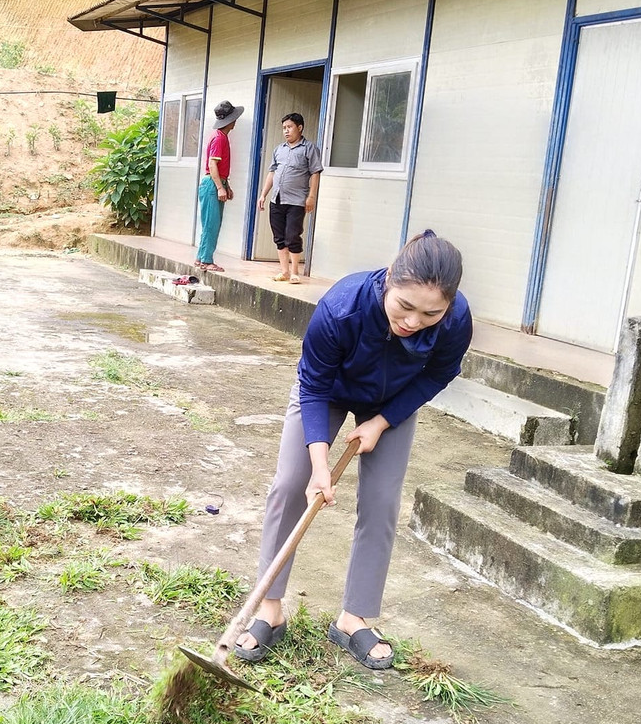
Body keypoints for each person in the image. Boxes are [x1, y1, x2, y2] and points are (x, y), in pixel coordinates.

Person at [235, 231, 472, 669]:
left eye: (430, 313)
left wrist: (382, 421)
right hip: (326, 393)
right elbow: (313, 383)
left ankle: (353, 618)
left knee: (382, 499)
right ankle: (269, 607)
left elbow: (439, 374)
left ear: (449, 305)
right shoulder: (341, 306)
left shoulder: (456, 320)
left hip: (391, 402)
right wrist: (320, 464)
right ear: (388, 281)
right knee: (291, 484)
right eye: (404, 306)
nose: (413, 321)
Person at [257, 112, 322, 285]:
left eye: (290, 127)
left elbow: (315, 173)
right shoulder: (279, 149)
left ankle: (294, 272)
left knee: (292, 235)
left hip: (296, 200)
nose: (286, 131)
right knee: (279, 236)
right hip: (276, 199)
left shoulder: (309, 148)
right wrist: (263, 194)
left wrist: (311, 196)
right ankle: (284, 271)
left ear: (299, 128)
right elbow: (272, 172)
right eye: (284, 128)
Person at [195, 100, 243, 273]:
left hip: (216, 182)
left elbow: (219, 168)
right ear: (230, 120)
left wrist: (226, 185)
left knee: (210, 223)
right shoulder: (218, 138)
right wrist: (220, 187)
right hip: (212, 184)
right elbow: (212, 164)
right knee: (211, 224)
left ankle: (201, 258)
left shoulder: (221, 137)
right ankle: (207, 260)